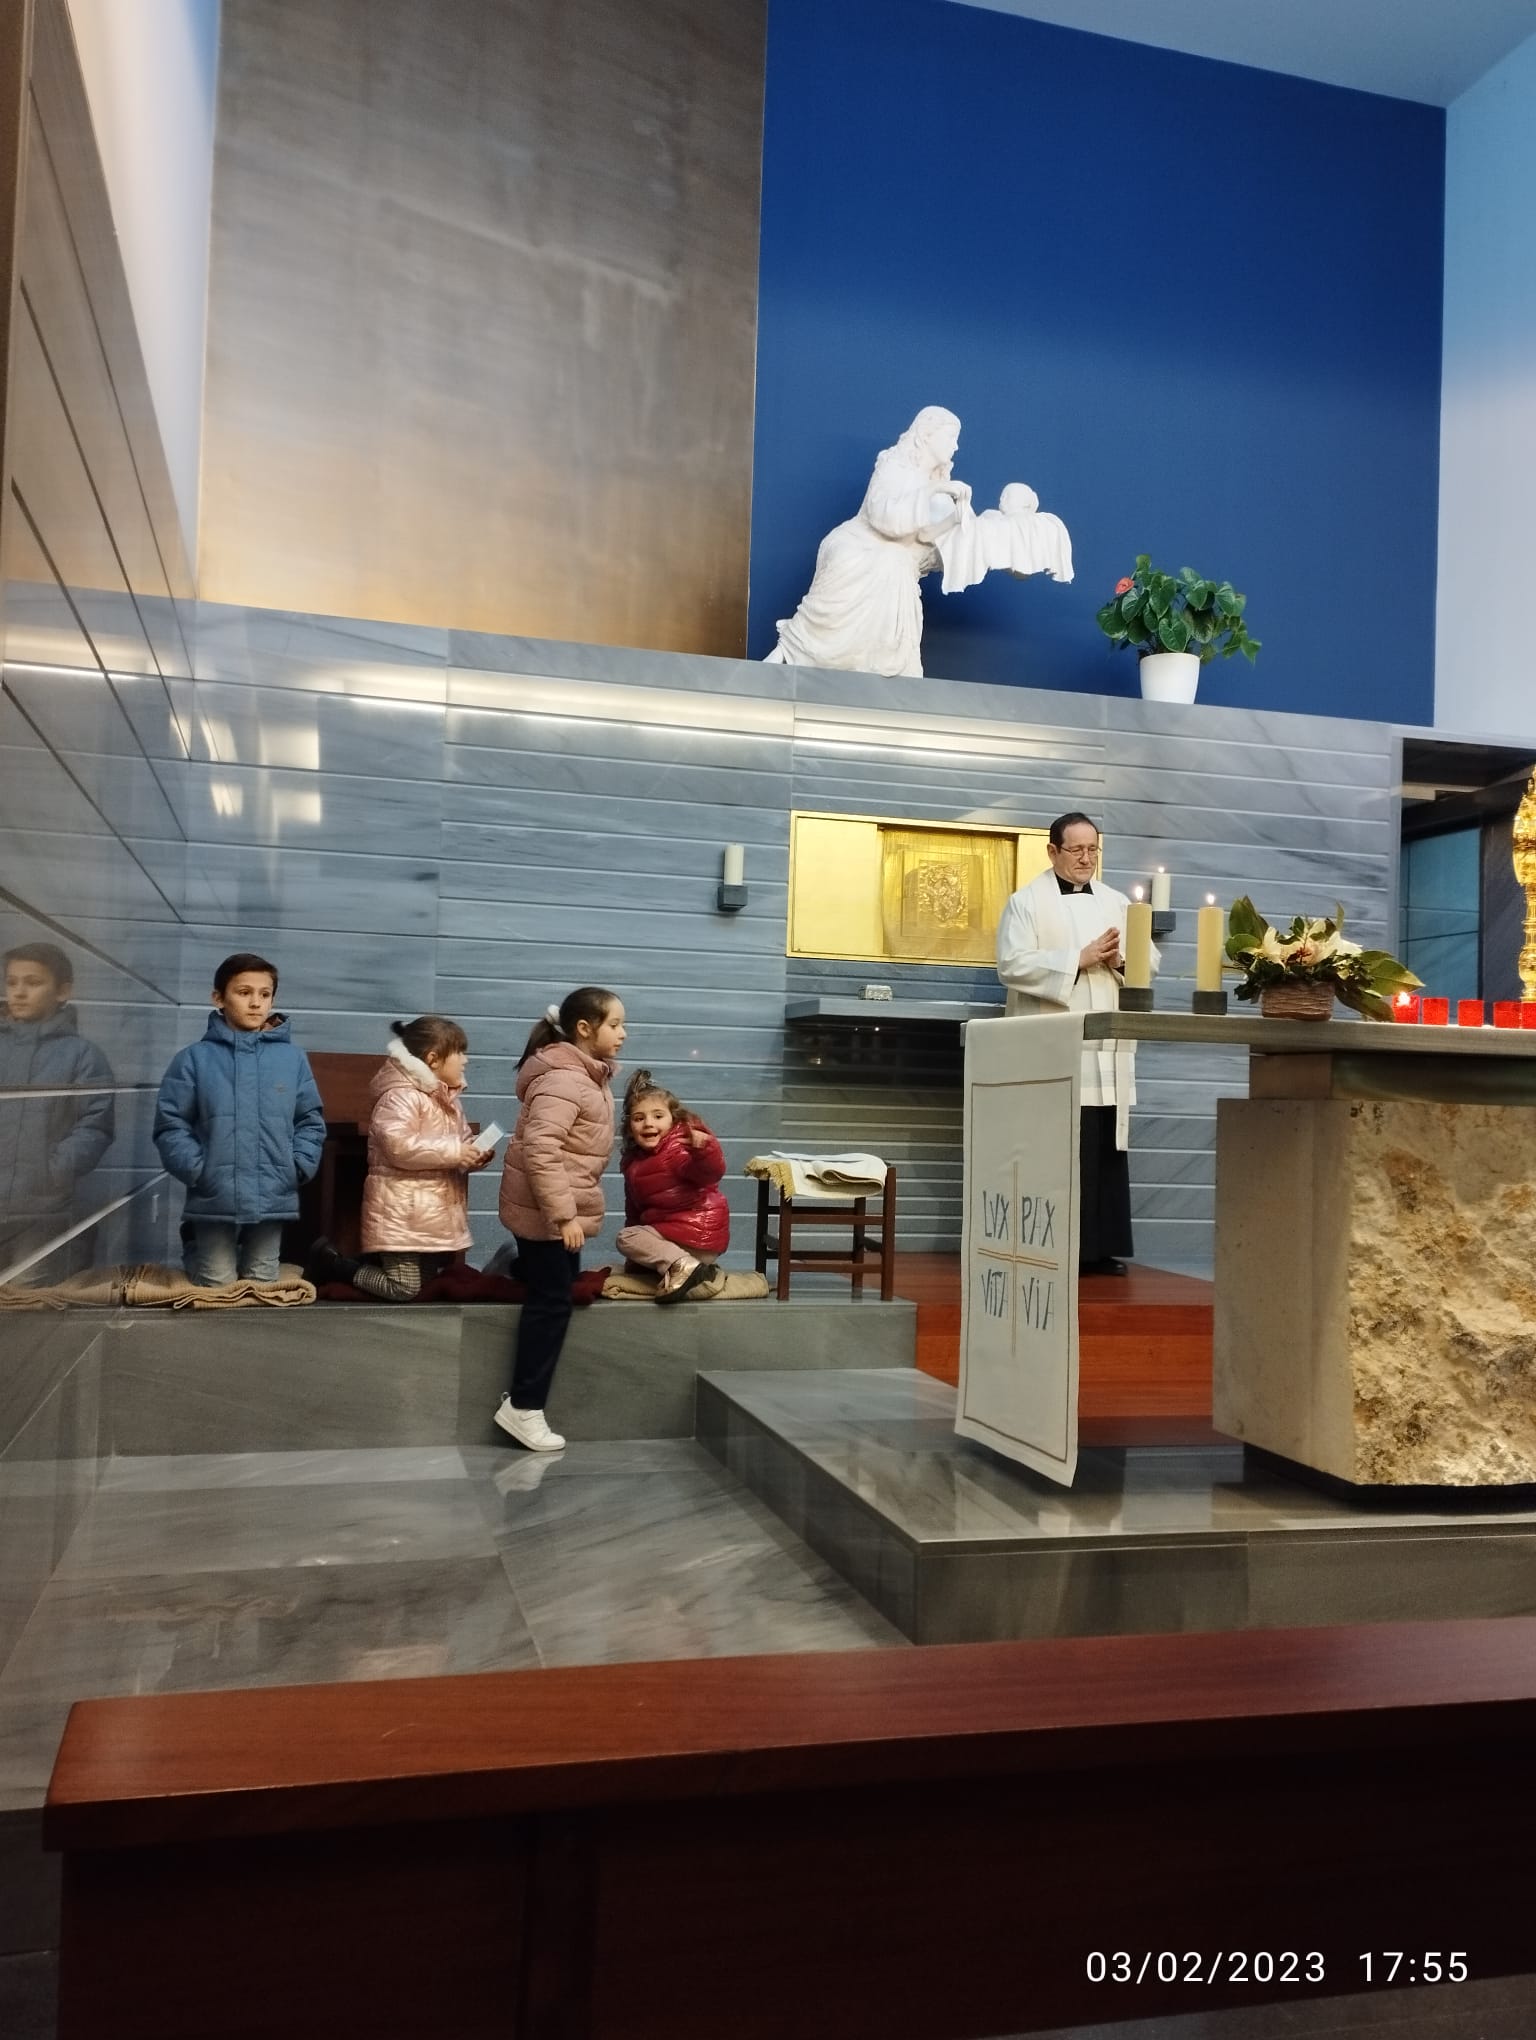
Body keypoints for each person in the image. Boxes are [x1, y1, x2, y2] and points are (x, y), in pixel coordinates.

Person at [994, 813, 1158, 1277]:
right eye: (1077, 850)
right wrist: (1078, 959)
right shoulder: (1026, 903)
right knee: (1058, 1147)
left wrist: (1120, 959)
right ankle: (1050, 1247)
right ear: (1053, 851)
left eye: (1093, 850)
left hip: (1107, 1052)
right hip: (1054, 1045)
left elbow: (1149, 960)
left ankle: (1100, 1248)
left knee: (1104, 1146)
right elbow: (1011, 964)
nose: (1086, 859)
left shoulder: (1115, 902)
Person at [494, 986, 625, 1451]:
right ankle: (524, 1406)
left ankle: (513, 1266)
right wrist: (564, 1216)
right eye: (615, 1024)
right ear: (584, 1029)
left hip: (549, 1207)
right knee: (552, 1303)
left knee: (559, 1286)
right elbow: (541, 1150)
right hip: (547, 1211)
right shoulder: (566, 1080)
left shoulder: (586, 1075)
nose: (623, 1034)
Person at [154, 952, 326, 1287]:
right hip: (213, 1192)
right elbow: (171, 1124)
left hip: (274, 1188)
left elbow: (310, 1119)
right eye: (244, 992)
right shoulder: (193, 1059)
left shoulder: (292, 1059)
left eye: (265, 994)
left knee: (262, 1279)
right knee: (217, 1281)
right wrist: (197, 1169)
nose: (255, 1003)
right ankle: (195, 1246)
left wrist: (297, 1166)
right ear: (218, 998)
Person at [764, 406, 972, 677]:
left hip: (892, 559)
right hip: (857, 541)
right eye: (950, 437)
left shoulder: (943, 490)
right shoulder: (893, 466)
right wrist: (932, 490)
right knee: (872, 559)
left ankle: (878, 666)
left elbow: (924, 538)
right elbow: (884, 519)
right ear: (926, 435)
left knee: (895, 561)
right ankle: (792, 647)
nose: (955, 446)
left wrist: (955, 519)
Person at [306, 1016, 493, 1300]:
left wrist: (473, 1154)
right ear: (433, 1059)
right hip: (401, 1210)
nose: (465, 1060)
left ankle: (362, 1264)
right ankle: (334, 1265)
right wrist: (456, 1152)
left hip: (429, 1211)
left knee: (425, 1282)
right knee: (404, 1288)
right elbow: (398, 1146)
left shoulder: (446, 1100)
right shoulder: (399, 1096)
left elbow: (460, 1140)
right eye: (460, 1053)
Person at [0, 942, 115, 1275]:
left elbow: (95, 1126)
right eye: (11, 982)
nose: (19, 992)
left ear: (63, 991)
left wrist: (51, 1173)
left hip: (44, 1215)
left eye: (33, 982)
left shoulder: (82, 1056)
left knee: (29, 1295)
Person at [618, 1069, 729, 1303]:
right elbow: (634, 1212)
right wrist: (638, 1257)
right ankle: (690, 1267)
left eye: (658, 1116)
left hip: (697, 1235)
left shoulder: (678, 1149)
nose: (648, 1123)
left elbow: (710, 1173)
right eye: (639, 1118)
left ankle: (684, 1265)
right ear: (629, 1128)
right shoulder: (633, 1163)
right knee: (632, 1236)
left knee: (625, 1238)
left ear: (673, 1119)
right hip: (674, 1237)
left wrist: (705, 1150)